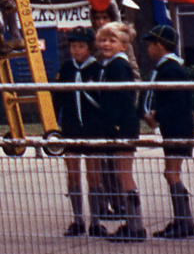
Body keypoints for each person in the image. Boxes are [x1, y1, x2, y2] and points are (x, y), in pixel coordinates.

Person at [142, 25, 194, 239]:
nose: (148, 49)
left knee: (171, 173)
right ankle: (182, 221)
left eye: (151, 45)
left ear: (160, 46)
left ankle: (185, 222)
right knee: (171, 173)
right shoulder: (167, 67)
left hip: (177, 128)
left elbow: (176, 102)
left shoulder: (170, 69)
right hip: (174, 127)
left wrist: (157, 115)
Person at [95, 21, 145, 242]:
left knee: (125, 176)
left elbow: (124, 99)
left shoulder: (118, 66)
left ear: (123, 45)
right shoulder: (111, 64)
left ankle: (135, 226)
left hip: (122, 126)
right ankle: (131, 223)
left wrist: (116, 125)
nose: (106, 44)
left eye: (112, 40)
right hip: (118, 125)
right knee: (121, 174)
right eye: (103, 40)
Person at [55, 27, 105, 236]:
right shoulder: (66, 68)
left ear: (90, 48)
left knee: (94, 175)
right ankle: (78, 220)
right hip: (71, 128)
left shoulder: (98, 69)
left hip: (92, 129)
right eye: (73, 46)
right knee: (72, 175)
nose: (76, 50)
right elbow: (57, 97)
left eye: (81, 46)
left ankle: (95, 221)